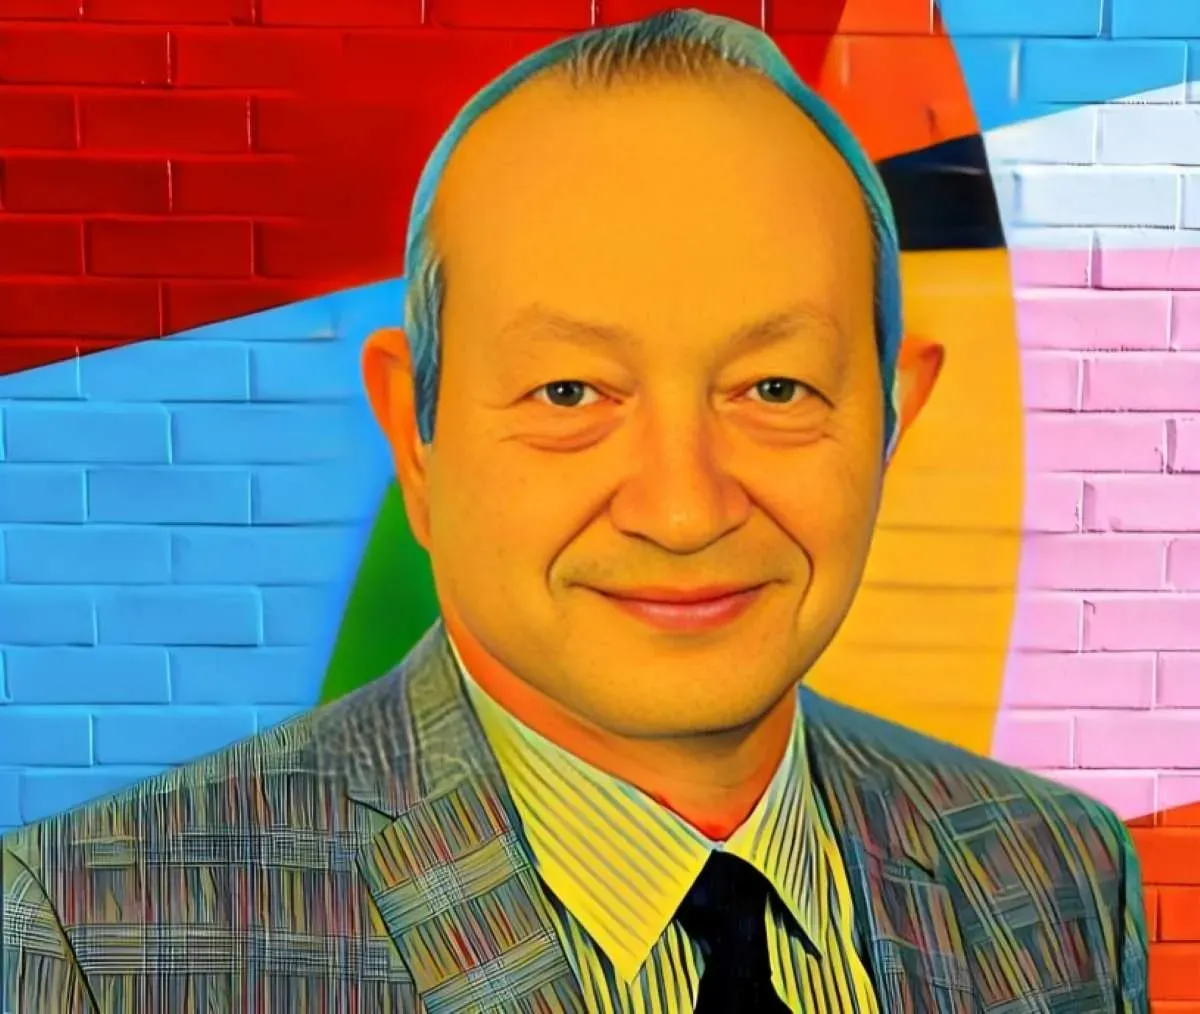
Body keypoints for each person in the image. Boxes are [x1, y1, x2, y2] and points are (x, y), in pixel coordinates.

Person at [2, 10, 1146, 1013]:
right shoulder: (102, 938)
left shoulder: (1057, 881)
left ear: (892, 418)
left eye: (775, 390)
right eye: (568, 394)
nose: (684, 511)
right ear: (416, 435)